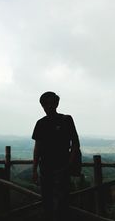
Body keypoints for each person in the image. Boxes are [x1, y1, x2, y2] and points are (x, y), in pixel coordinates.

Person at [32, 91, 81, 221]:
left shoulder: (66, 120)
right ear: (42, 106)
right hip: (46, 168)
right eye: (45, 104)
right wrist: (34, 169)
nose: (48, 106)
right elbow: (38, 147)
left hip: (62, 168)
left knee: (62, 202)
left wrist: (69, 164)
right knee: (48, 201)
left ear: (57, 104)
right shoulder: (40, 123)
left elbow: (75, 143)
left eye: (51, 103)